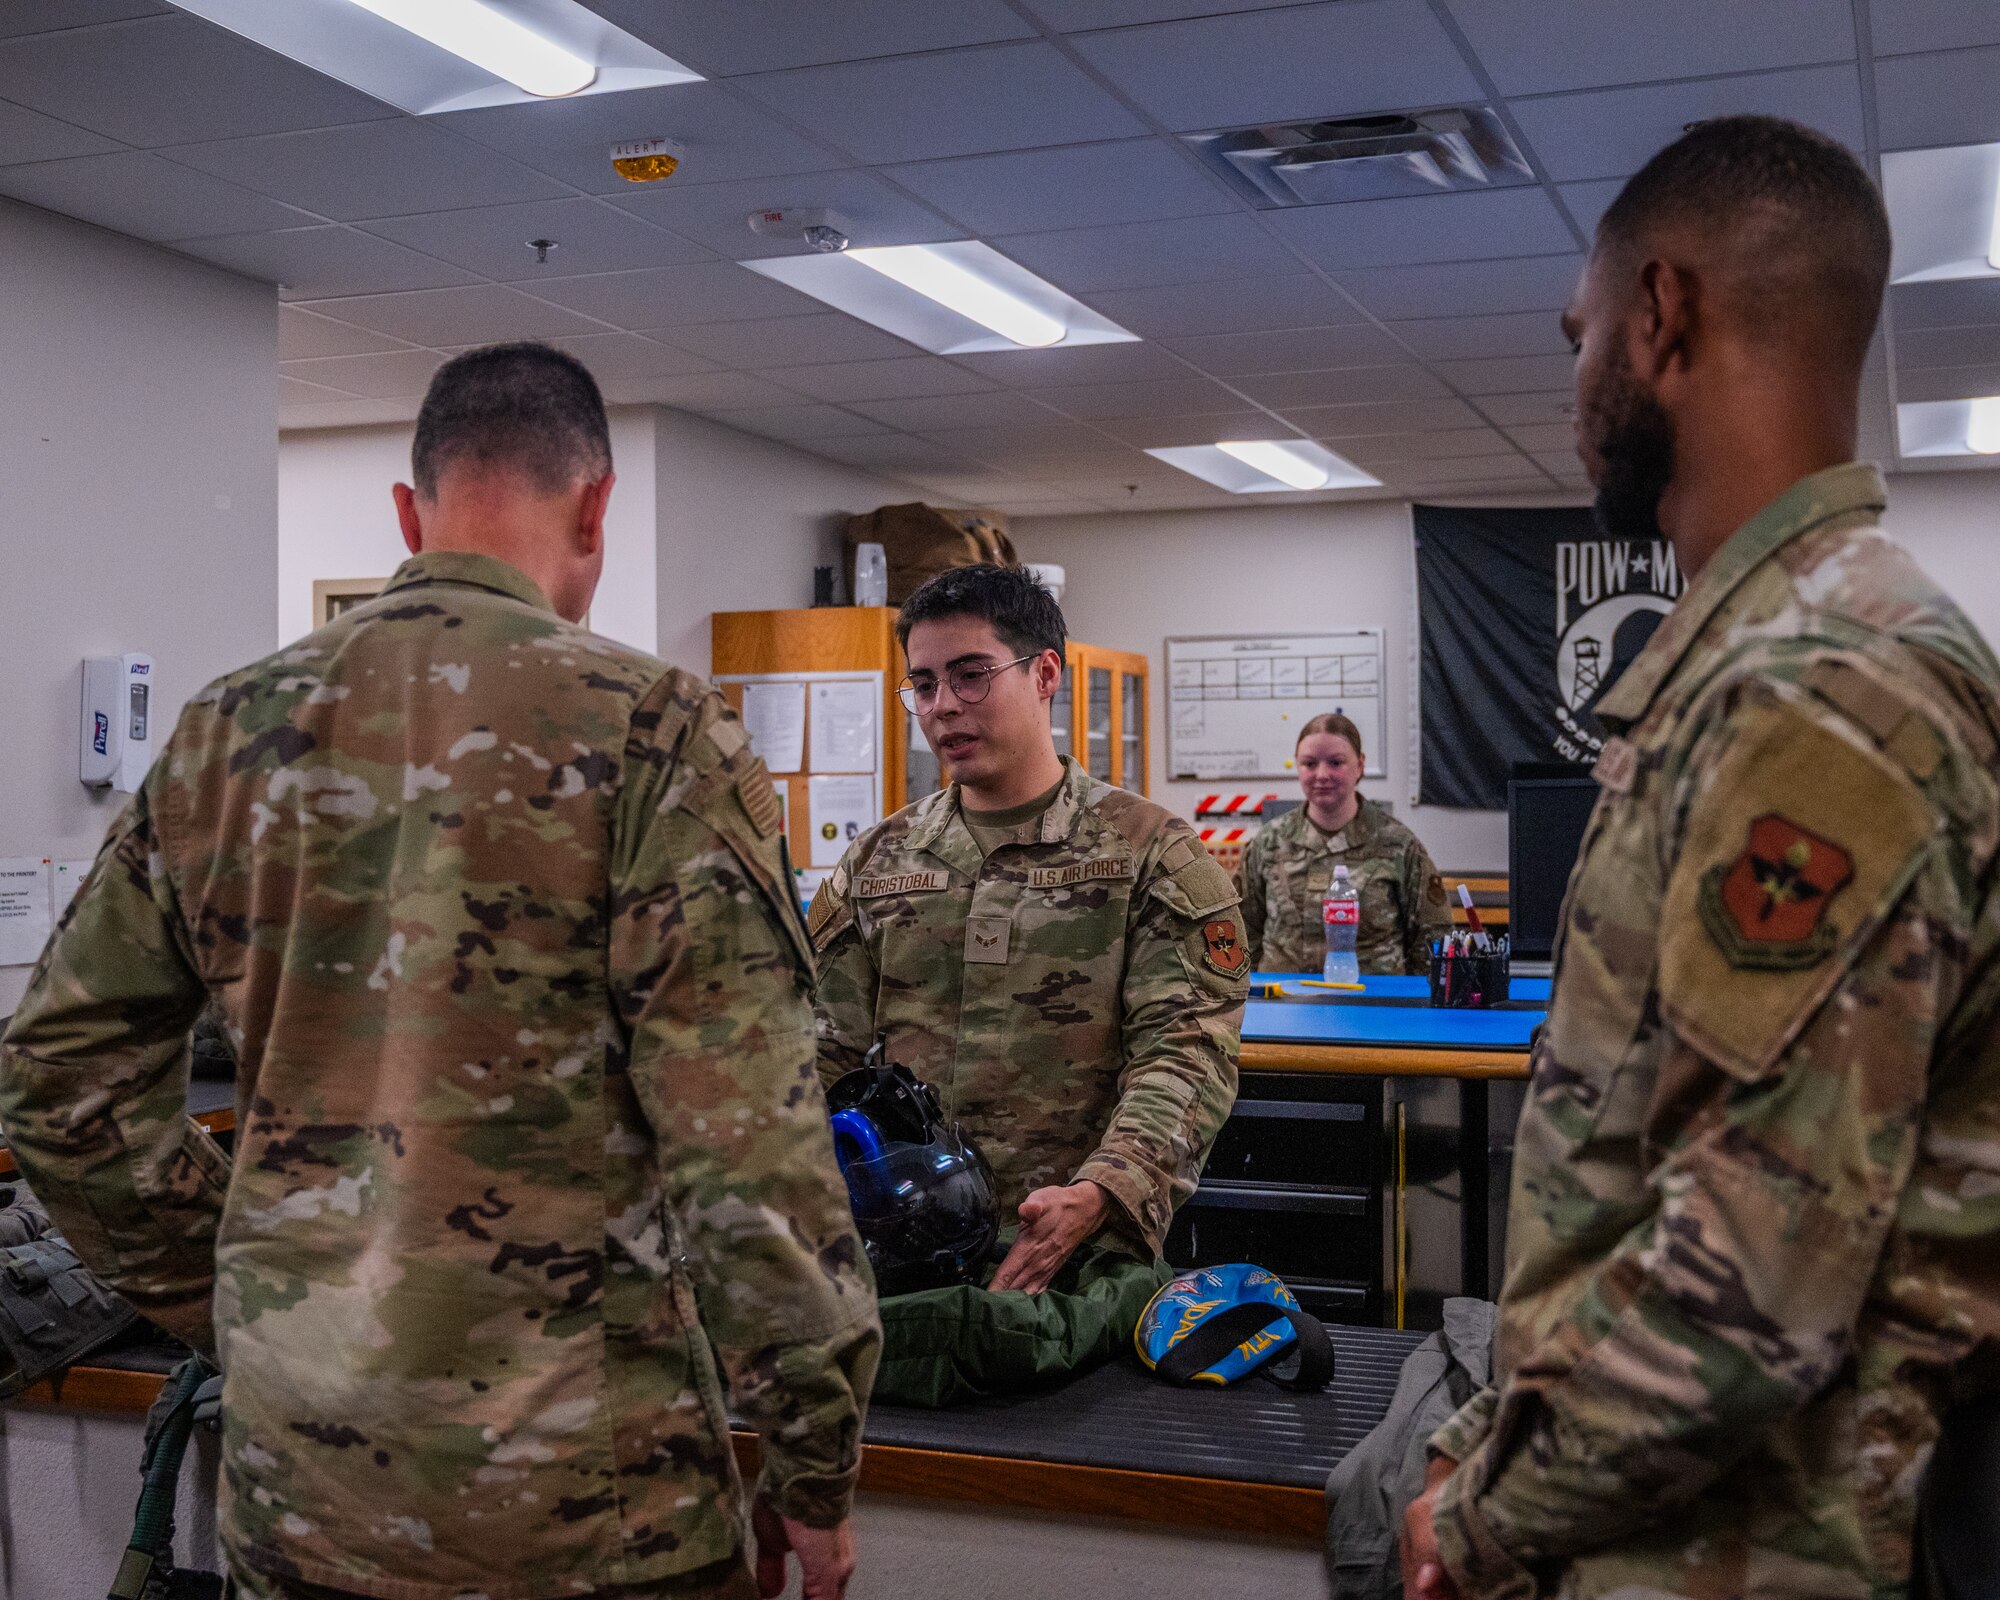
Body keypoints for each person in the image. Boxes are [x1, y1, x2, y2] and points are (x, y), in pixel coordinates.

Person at [0, 344, 879, 1600]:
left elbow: (54, 1087)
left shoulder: (225, 734)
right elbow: (751, 1153)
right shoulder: (656, 732)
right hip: (587, 1507)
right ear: (596, 508)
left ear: (409, 515)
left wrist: (252, 1296)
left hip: (304, 1495)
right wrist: (811, 1466)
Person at [1399, 116, 2000, 1600]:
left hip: (1756, 1544)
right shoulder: (1760, 661)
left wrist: (1477, 1522)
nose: (1575, 385)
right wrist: (1493, 1435)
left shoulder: (1825, 689)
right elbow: (1649, 1158)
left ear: (1661, 315)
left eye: (1580, 334)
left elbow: (1746, 1296)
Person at [810, 564, 1244, 1323]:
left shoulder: (1151, 854)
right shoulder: (878, 860)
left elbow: (1185, 1054)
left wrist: (1104, 1191)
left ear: (1045, 674)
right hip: (899, 1260)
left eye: (972, 675)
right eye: (924, 683)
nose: (944, 706)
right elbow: (816, 1053)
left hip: (1079, 1262)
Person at [1239, 712, 1451, 974]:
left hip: (1372, 1002)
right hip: (1284, 1000)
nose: (1322, 774)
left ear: (1359, 766)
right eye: (1309, 764)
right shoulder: (1268, 842)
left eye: (1336, 762)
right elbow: (1242, 931)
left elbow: (1431, 940)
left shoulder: (1398, 844)